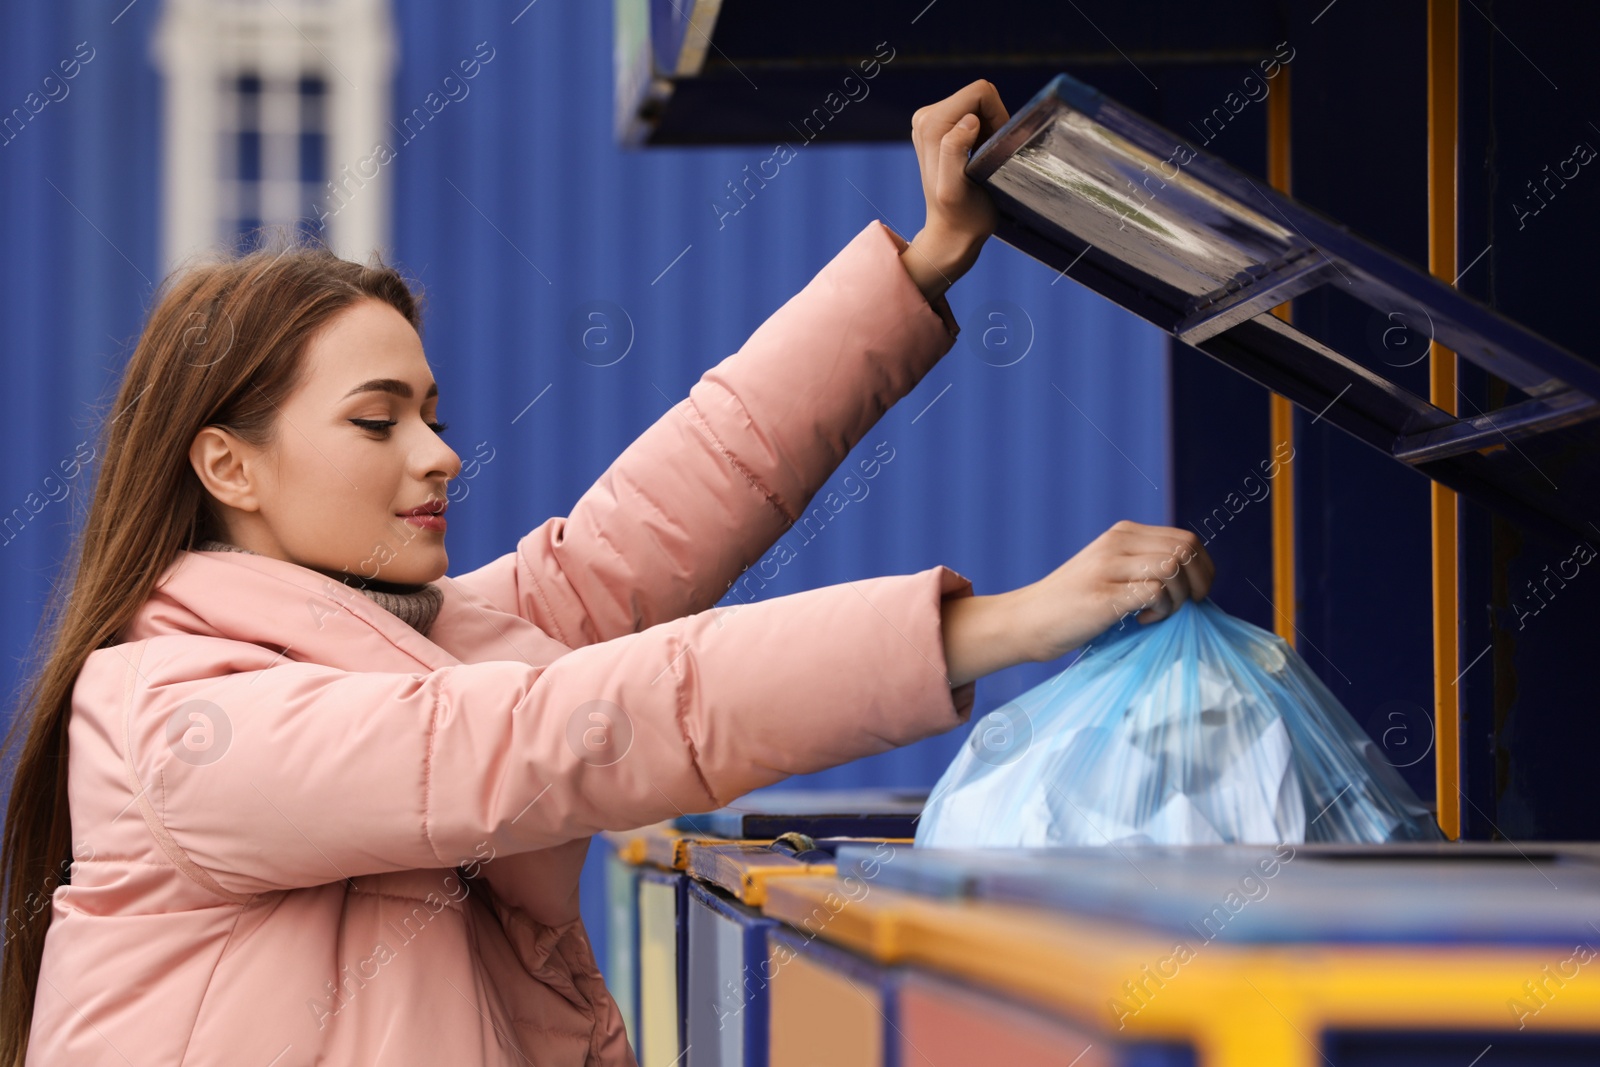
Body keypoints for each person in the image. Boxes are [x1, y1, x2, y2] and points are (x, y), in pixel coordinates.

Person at [0, 80, 1212, 1066]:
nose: (439, 454)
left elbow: (643, 530)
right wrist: (988, 628)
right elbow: (535, 734)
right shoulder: (180, 725)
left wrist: (921, 266)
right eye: (378, 423)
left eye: (432, 411)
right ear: (229, 464)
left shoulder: (418, 648)